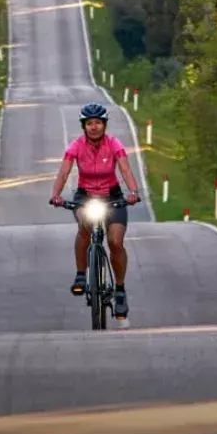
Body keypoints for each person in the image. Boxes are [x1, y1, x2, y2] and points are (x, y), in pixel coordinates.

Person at [49, 102, 142, 321]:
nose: (94, 127)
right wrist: (56, 194)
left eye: (98, 123)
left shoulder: (114, 144)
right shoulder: (76, 146)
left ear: (104, 125)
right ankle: (81, 275)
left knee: (115, 243)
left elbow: (125, 169)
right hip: (86, 196)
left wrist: (133, 191)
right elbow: (63, 172)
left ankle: (119, 290)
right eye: (89, 123)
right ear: (84, 126)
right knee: (84, 226)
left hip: (112, 196)